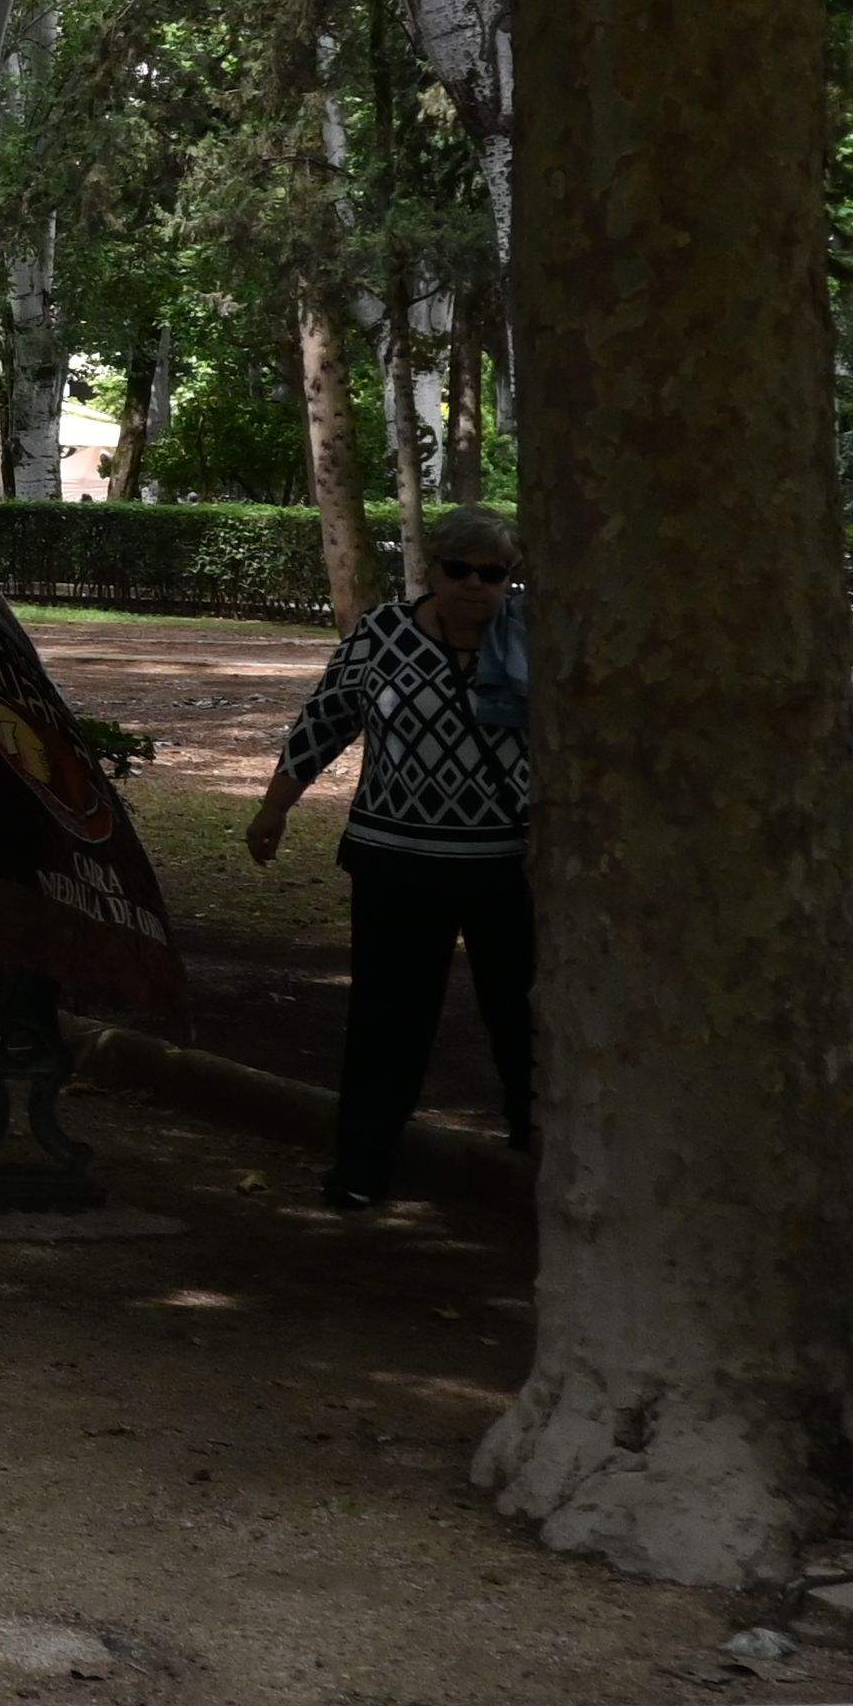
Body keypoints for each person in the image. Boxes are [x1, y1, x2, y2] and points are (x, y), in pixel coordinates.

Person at [252, 506, 541, 1207]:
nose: (475, 586)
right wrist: (275, 805)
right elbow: (326, 719)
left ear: (511, 578)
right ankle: (361, 1168)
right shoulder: (382, 634)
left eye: (493, 573)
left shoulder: (536, 639)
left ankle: (541, 1162)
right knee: (387, 1022)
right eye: (458, 570)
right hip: (397, 862)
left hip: (509, 866)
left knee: (526, 1019)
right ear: (431, 570)